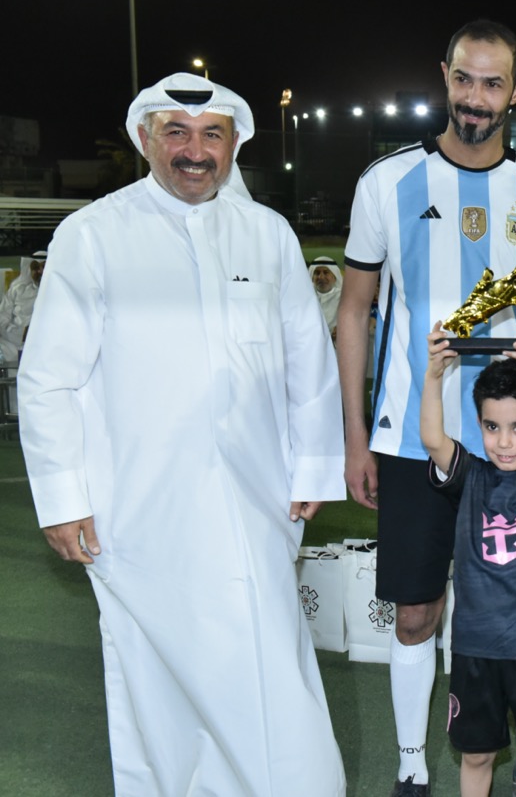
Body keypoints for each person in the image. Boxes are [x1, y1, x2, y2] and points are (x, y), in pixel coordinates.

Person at [18, 72, 346, 795]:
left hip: (257, 504)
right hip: (140, 517)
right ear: (145, 140)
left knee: (273, 670)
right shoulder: (92, 236)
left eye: (211, 135)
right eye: (176, 133)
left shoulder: (267, 235)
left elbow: (309, 363)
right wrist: (64, 499)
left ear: (234, 144)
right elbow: (48, 379)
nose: (194, 152)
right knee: (155, 690)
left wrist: (315, 467)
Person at [336, 19, 516, 796]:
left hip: (511, 447)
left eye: (493, 83)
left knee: (515, 613)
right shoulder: (387, 182)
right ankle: (412, 766)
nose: (475, 97)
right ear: (445, 76)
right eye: (464, 79)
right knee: (416, 613)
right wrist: (355, 438)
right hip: (415, 440)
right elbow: (355, 311)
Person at [420, 327, 516, 797]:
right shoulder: (471, 475)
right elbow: (432, 438)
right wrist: (433, 375)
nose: (505, 442)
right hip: (474, 645)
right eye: (492, 427)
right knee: (476, 754)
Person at [0, 250, 45, 362]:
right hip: (12, 344)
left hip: (44, 345)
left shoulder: (60, 293)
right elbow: (2, 317)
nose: (39, 271)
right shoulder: (18, 289)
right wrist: (17, 334)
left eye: (43, 267)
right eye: (35, 267)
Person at [309, 254, 343, 339]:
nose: (321, 277)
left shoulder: (344, 299)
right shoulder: (305, 298)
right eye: (317, 273)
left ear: (334, 276)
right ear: (312, 278)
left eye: (326, 272)